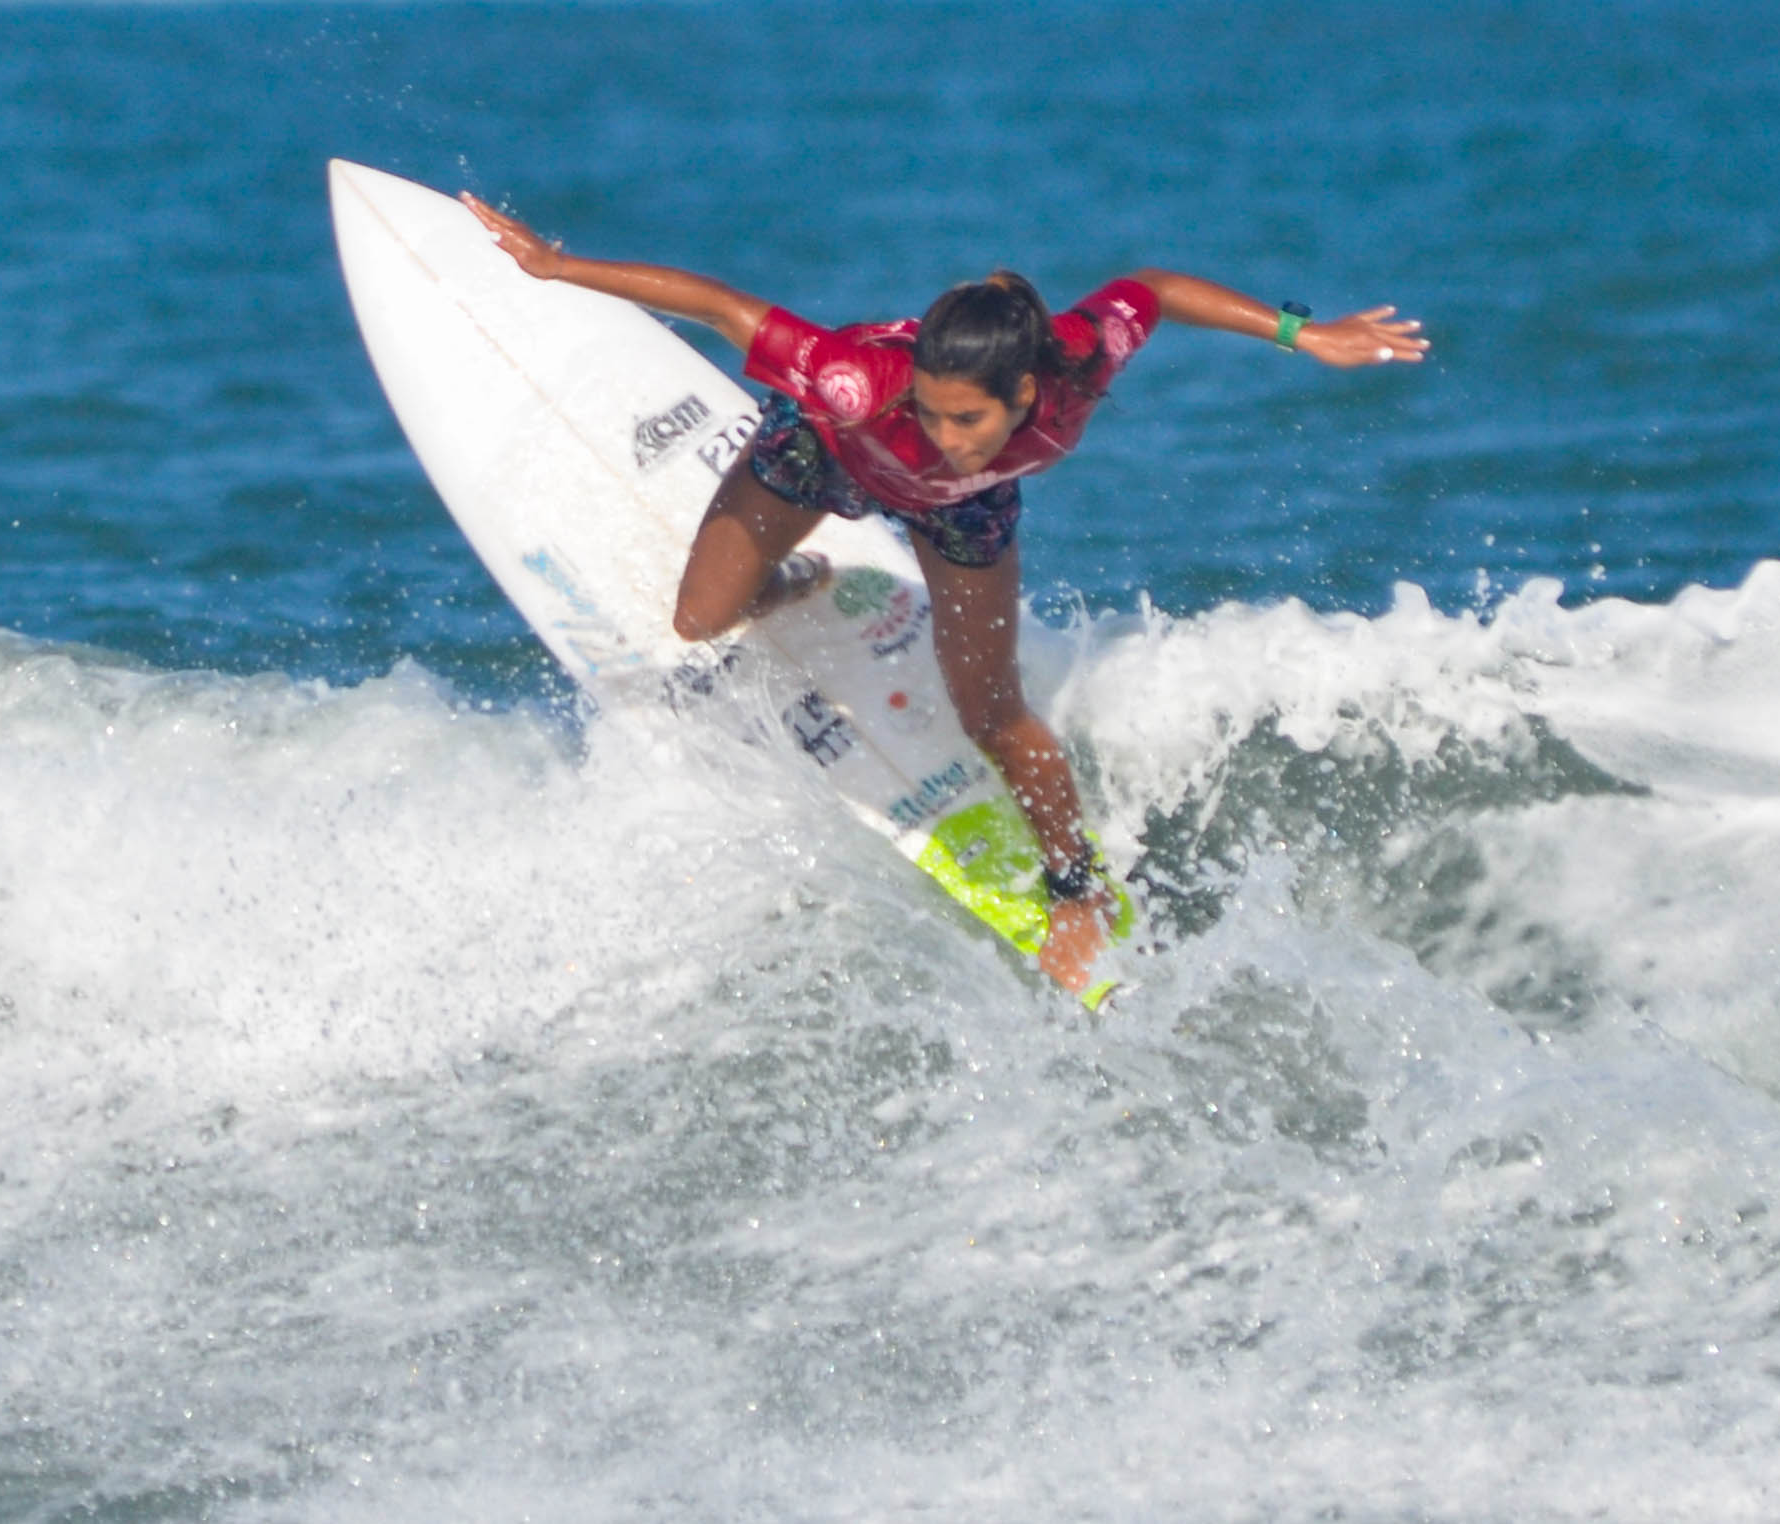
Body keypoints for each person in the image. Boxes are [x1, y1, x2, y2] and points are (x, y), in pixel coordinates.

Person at [461, 190, 1428, 996]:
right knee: (698, 621)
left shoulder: (1076, 362)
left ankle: (1076, 886)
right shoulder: (853, 383)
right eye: (927, 409)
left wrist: (1303, 333)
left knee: (992, 712)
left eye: (963, 416)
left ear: (1022, 396)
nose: (940, 428)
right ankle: (786, 574)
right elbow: (720, 305)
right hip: (817, 455)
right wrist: (556, 266)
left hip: (962, 515)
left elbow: (1158, 288)